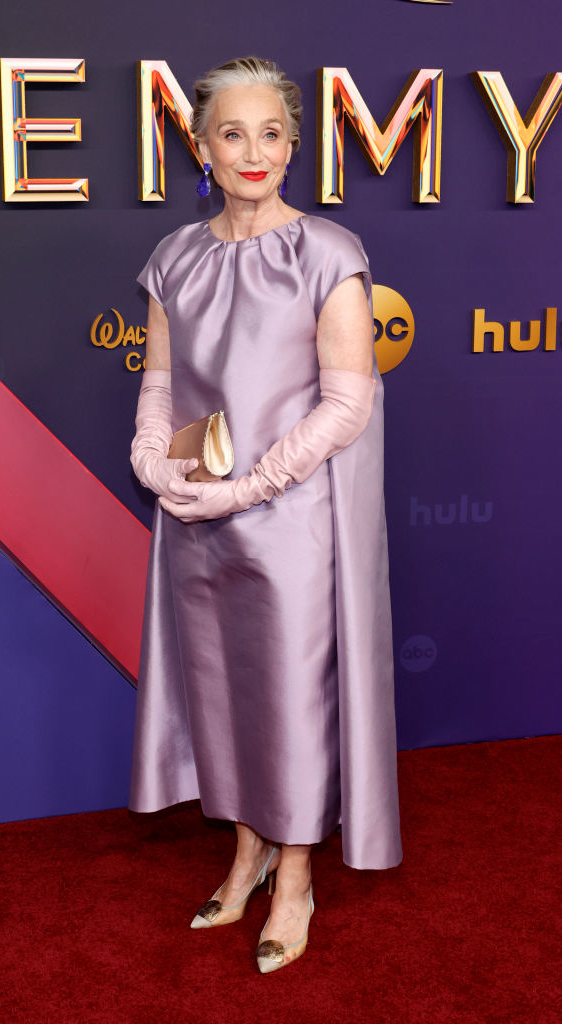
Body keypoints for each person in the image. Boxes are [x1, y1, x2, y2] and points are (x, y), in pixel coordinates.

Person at [129, 56, 402, 974]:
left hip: (291, 524)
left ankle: (294, 875)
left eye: (273, 133)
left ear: (294, 145)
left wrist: (246, 490)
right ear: (199, 147)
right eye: (233, 134)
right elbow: (162, 387)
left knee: (289, 700)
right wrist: (149, 456)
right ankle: (244, 849)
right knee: (221, 692)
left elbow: (345, 404)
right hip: (196, 519)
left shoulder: (328, 253)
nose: (255, 153)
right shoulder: (174, 257)